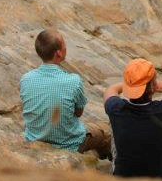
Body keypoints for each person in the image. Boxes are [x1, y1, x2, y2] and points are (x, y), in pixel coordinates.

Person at [20, 29, 111, 159]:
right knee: (105, 132)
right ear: (58, 53)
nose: (66, 47)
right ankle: (109, 166)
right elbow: (78, 113)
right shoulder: (73, 81)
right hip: (68, 142)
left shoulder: (25, 79)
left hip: (35, 138)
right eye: (64, 45)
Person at [104, 58, 162, 181]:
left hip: (122, 178)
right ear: (153, 87)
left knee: (113, 114)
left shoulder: (116, 107)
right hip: (161, 180)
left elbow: (111, 90)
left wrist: (131, 84)